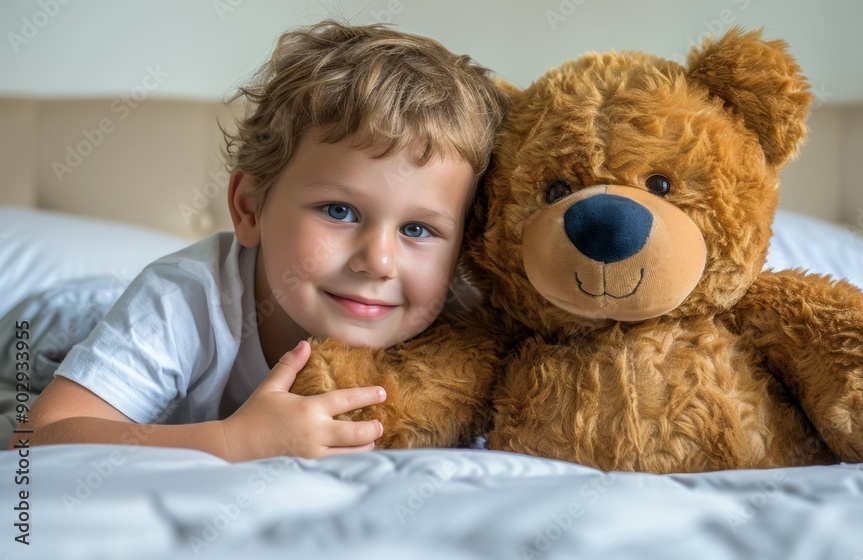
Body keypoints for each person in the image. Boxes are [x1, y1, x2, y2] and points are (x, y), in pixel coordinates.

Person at [11, 20, 508, 462]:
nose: (378, 262)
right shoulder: (184, 300)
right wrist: (231, 441)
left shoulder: (464, 321)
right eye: (340, 211)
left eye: (417, 230)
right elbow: (36, 438)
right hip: (65, 324)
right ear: (250, 208)